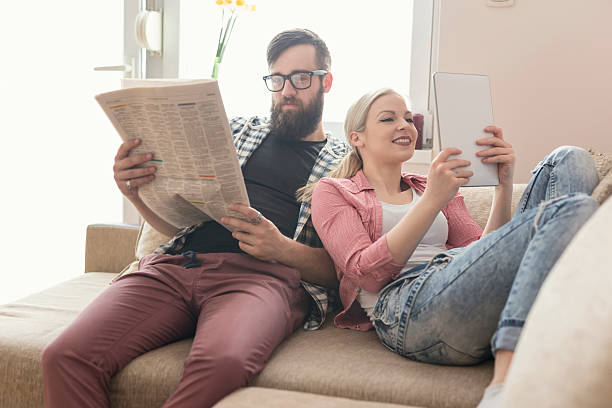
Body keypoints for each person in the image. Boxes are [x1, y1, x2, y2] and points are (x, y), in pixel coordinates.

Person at [42, 29, 348, 408]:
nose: (287, 90)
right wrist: (134, 193)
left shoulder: (345, 163)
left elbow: (347, 271)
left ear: (326, 82)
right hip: (175, 265)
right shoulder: (235, 131)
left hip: (259, 278)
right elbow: (181, 224)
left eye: (301, 78)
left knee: (223, 362)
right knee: (65, 356)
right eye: (277, 79)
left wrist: (280, 247)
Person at [309, 88, 599, 408]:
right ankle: (506, 384)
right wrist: (433, 200)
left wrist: (503, 185)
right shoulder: (334, 191)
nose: (404, 125)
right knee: (573, 209)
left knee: (569, 158)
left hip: (457, 280)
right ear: (357, 138)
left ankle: (550, 326)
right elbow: (366, 273)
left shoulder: (428, 183)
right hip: (405, 306)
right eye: (388, 118)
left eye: (408, 117)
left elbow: (482, 252)